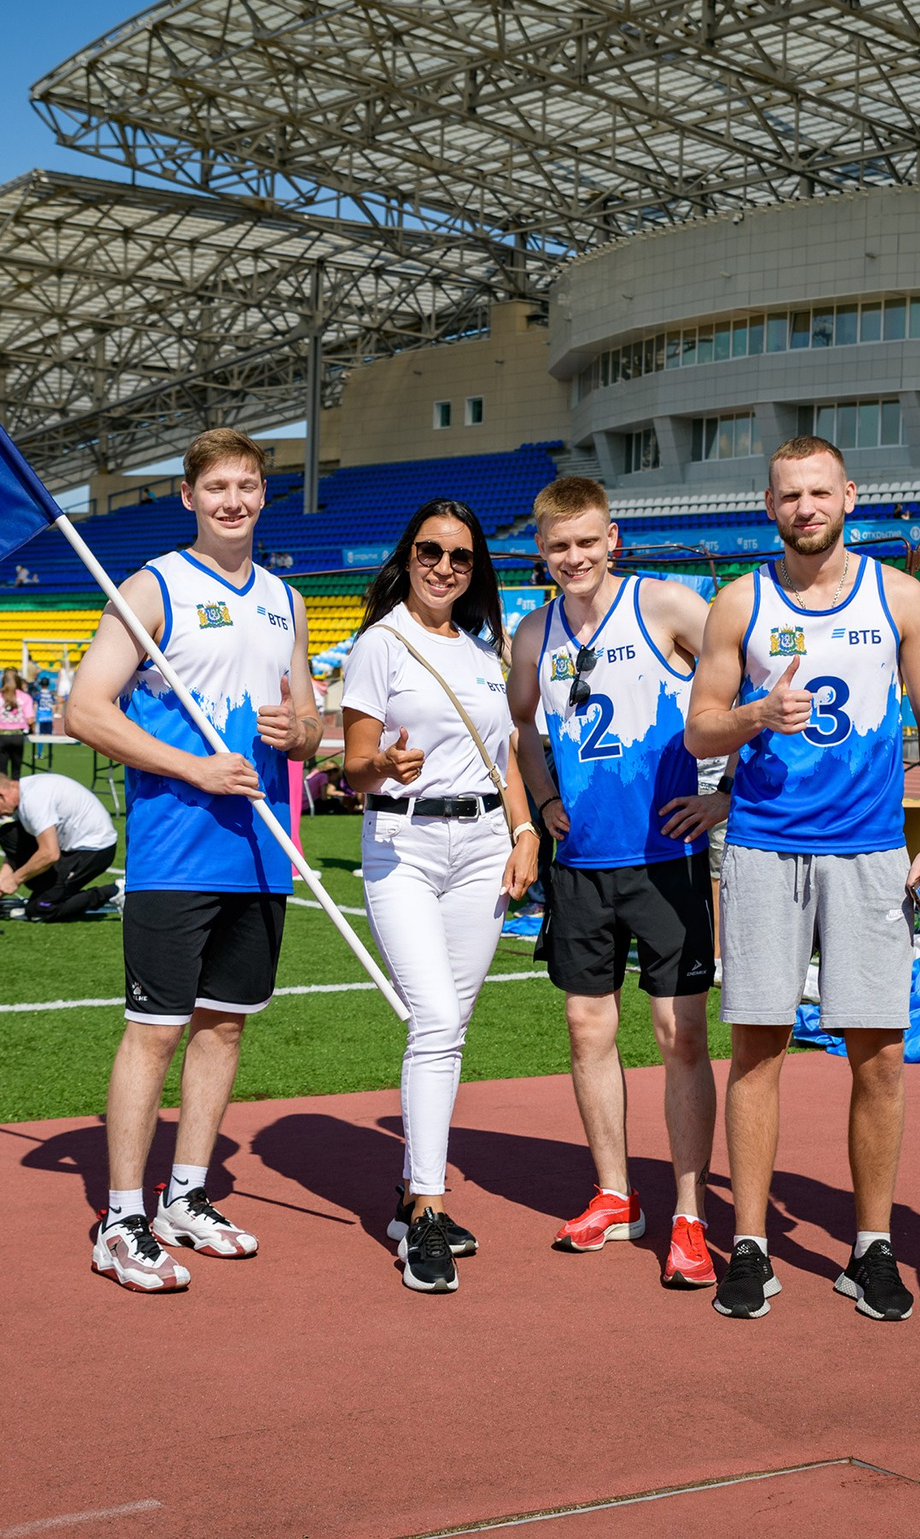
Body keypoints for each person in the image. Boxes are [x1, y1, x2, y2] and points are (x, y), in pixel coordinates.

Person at [687, 434, 920, 1324]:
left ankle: (871, 1246)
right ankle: (752, 1244)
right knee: (756, 1049)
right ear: (769, 506)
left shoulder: (900, 596)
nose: (805, 507)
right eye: (787, 495)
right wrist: (757, 713)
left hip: (872, 849)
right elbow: (699, 731)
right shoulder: (739, 601)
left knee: (878, 1057)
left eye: (819, 491)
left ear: (850, 494)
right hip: (765, 847)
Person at [63, 429, 322, 1294]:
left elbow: (311, 723)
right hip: (176, 848)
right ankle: (121, 1218)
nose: (233, 500)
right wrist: (193, 766)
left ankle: (185, 1194)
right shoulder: (153, 586)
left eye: (248, 485)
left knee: (226, 1025)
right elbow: (85, 710)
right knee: (156, 1032)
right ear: (189, 496)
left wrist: (302, 735)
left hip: (262, 847)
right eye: (217, 486)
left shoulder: (287, 597)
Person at [508, 477, 728, 1290]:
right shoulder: (534, 633)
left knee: (680, 1038)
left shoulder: (667, 605)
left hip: (665, 857)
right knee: (586, 1029)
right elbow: (522, 725)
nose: (574, 557)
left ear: (613, 541)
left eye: (587, 542)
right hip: (582, 866)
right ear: (543, 550)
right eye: (559, 545)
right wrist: (546, 798)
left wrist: (725, 791)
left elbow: (747, 678)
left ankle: (690, 1212)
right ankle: (613, 1192)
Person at [341, 499, 540, 1295]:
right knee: (431, 1019)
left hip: (485, 846)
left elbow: (507, 756)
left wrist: (524, 833)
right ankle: (426, 1206)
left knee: (450, 1027)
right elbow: (353, 762)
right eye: (430, 550)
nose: (444, 566)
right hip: (404, 847)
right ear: (408, 552)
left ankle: (411, 1196)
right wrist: (383, 766)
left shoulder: (482, 651)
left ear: (475, 569)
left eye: (460, 556)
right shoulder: (379, 643)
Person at [0, 768, 119, 921]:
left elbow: (50, 854)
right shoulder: (24, 793)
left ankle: (114, 891)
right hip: (69, 847)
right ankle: (56, 891)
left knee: (40, 908)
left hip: (94, 849)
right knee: (8, 834)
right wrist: (4, 877)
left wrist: (15, 879)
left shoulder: (33, 799)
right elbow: (18, 846)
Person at [0, 668, 36, 778]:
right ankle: (15, 794)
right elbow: (30, 720)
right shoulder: (25, 697)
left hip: (2, 736)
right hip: (18, 736)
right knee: (16, 772)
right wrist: (32, 730)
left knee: (1, 772)